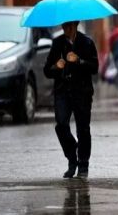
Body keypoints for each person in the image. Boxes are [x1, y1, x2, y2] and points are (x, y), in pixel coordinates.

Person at [43, 21, 99, 179]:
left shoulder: (87, 42)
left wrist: (79, 61)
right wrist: (56, 67)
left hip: (82, 91)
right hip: (63, 91)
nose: (67, 29)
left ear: (76, 25)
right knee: (61, 125)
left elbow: (95, 67)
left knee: (83, 129)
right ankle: (72, 157)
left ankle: (83, 164)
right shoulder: (57, 43)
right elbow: (47, 70)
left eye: (70, 26)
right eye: (64, 26)